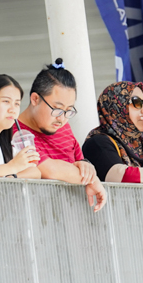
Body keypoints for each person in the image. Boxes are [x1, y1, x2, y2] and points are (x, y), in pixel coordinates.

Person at [15, 59, 107, 211]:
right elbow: (50, 169)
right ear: (35, 99)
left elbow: (80, 163)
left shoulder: (62, 126)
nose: (62, 118)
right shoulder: (15, 132)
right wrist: (93, 180)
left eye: (68, 111)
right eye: (57, 109)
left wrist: (86, 166)